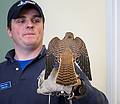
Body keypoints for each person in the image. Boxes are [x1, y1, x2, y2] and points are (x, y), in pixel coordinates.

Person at [0, 0, 109, 104]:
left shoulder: (62, 63)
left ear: (43, 28)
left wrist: (77, 88)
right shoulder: (1, 71)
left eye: (36, 20)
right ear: (9, 31)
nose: (30, 25)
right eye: (21, 21)